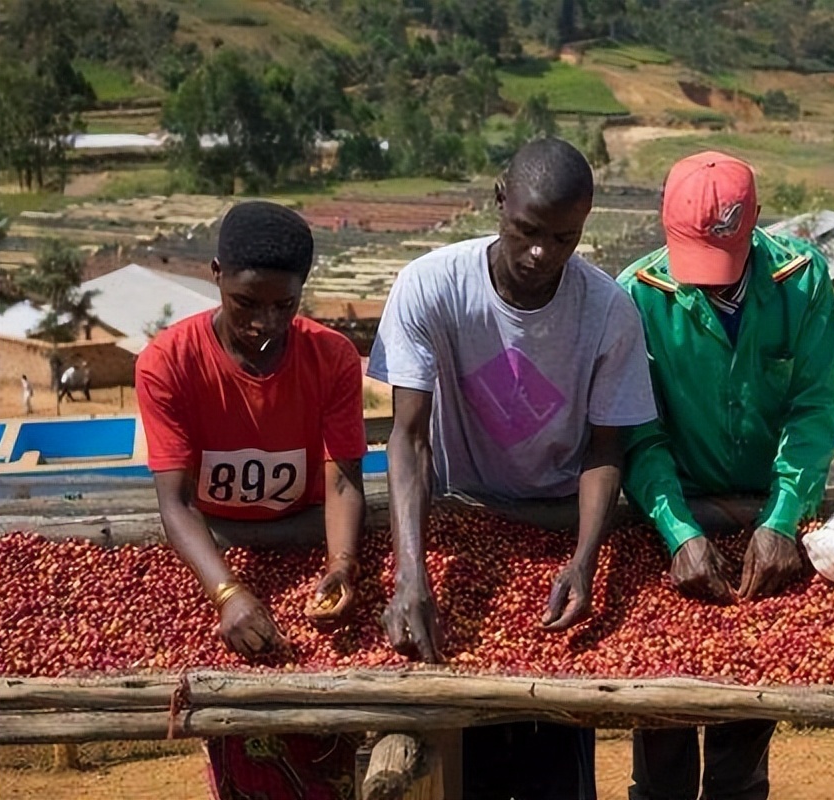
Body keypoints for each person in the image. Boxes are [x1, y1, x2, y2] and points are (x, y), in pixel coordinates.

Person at [366, 137, 657, 800]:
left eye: (564, 238)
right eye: (527, 230)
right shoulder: (431, 286)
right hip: (459, 522)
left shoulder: (608, 311)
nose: (540, 254)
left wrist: (583, 559)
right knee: (456, 760)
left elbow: (605, 449)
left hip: (556, 525)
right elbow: (408, 440)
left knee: (553, 748)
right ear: (499, 199)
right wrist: (411, 573)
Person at [618, 152, 834, 800]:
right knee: (662, 715)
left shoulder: (801, 280)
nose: (709, 286)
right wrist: (676, 531)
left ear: (751, 233)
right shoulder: (639, 295)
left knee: (745, 723)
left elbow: (814, 406)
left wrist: (782, 518)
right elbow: (639, 431)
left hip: (766, 518)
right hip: (673, 513)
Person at [135, 200, 369, 800]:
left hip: (307, 542)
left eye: (283, 305)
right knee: (245, 748)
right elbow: (177, 503)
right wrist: (229, 593)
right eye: (247, 303)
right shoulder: (169, 363)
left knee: (327, 745)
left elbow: (342, 478)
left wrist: (341, 564)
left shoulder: (333, 357)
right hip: (219, 554)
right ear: (215, 273)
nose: (265, 322)